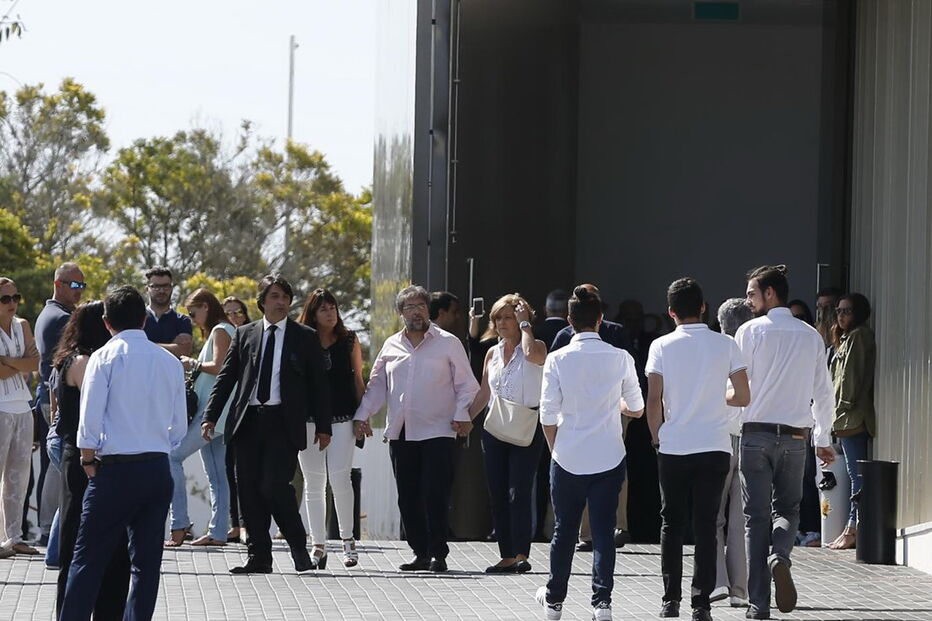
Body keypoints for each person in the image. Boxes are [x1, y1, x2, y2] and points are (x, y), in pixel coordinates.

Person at [59, 286, 187, 621]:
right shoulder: (169, 361)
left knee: (87, 560)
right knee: (146, 566)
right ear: (144, 319)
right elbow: (179, 427)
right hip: (157, 467)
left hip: (114, 470)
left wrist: (88, 461)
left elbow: (89, 422)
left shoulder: (103, 357)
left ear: (106, 323)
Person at [201, 275, 331, 574]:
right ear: (262, 302)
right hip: (247, 422)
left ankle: (299, 547)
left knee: (273, 485)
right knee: (247, 490)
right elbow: (226, 378)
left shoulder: (305, 336)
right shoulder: (245, 334)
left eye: (285, 296)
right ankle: (258, 557)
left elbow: (319, 386)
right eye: (275, 296)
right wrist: (210, 415)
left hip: (283, 423)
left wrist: (324, 426)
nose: (281, 301)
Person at [535, 285, 644, 621]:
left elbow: (547, 416)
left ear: (569, 321)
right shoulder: (621, 357)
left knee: (563, 531)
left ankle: (554, 601)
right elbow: (637, 409)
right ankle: (602, 604)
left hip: (567, 455)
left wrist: (556, 449)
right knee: (603, 532)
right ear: (600, 320)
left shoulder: (556, 359)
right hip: (609, 455)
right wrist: (619, 404)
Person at [353, 285, 479, 572]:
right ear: (401, 313)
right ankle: (420, 552)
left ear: (428, 310)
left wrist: (462, 414)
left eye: (421, 305)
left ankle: (438, 553)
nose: (417, 311)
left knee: (434, 493)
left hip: (439, 430)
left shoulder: (448, 343)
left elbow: (467, 385)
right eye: (410, 307)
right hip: (402, 432)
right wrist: (363, 416)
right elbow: (377, 386)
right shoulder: (390, 345)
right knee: (407, 495)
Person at [646, 280, 750, 621]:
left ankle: (670, 600)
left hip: (674, 445)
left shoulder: (661, 345)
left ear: (671, 312)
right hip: (715, 444)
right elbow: (743, 396)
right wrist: (715, 397)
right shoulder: (726, 344)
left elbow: (654, 400)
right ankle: (701, 603)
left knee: (671, 523)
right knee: (705, 525)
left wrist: (656, 437)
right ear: (704, 306)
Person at [736, 265, 835, 620]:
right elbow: (824, 392)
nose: (748, 300)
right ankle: (780, 554)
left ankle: (757, 605)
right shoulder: (810, 335)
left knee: (755, 518)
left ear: (770, 294)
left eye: (751, 293)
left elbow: (736, 387)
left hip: (755, 435)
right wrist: (823, 437)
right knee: (788, 510)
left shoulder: (748, 332)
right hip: (795, 436)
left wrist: (732, 427)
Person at [51, 300, 131, 619]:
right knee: (84, 544)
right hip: (88, 460)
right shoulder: (84, 362)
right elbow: (99, 408)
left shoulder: (69, 359)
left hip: (80, 456)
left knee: (88, 542)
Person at [468, 294, 547, 573]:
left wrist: (526, 325)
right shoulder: (491, 353)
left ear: (521, 319)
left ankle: (522, 553)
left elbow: (531, 356)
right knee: (498, 492)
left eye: (508, 317)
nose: (501, 322)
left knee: (519, 491)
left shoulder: (535, 346)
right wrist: (465, 419)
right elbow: (484, 392)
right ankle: (507, 554)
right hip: (495, 428)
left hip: (526, 426)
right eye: (498, 317)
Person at [552, 284, 633, 551]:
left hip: (594, 411)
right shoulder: (612, 334)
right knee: (608, 465)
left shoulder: (568, 336)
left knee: (583, 469)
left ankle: (607, 528)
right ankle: (597, 531)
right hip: (610, 409)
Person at [297, 288, 366, 568]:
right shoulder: (303, 340)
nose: (330, 313)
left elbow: (358, 380)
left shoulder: (349, 340)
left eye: (333, 307)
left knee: (340, 478)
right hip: (308, 420)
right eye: (323, 309)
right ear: (313, 313)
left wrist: (363, 416)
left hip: (343, 418)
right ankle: (318, 545)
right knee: (313, 483)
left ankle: (348, 542)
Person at [165, 289, 234, 547]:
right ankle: (218, 532)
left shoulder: (220, 330)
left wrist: (191, 364)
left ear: (206, 307)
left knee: (173, 456)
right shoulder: (221, 330)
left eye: (194, 313)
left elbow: (220, 366)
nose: (193, 319)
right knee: (217, 475)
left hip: (213, 412)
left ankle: (179, 523)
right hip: (218, 413)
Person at [34, 262, 86, 549]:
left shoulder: (53, 314)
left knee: (54, 467)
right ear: (58, 284)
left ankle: (49, 534)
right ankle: (49, 534)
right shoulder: (60, 318)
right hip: (56, 399)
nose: (79, 291)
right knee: (60, 469)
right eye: (74, 285)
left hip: (49, 396)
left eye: (82, 286)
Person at [712, 298, 753, 608]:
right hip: (752, 437)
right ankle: (740, 590)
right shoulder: (758, 346)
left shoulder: (717, 348)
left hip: (719, 438)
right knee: (741, 518)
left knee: (713, 516)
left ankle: (717, 582)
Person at [827, 293, 876, 551]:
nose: (841, 316)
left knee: (857, 476)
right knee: (851, 475)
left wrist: (840, 407)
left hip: (852, 416)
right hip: (845, 417)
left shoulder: (858, 336)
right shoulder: (845, 338)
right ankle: (850, 527)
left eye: (847, 311)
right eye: (838, 311)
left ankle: (853, 528)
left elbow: (850, 380)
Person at [0, 277, 40, 556]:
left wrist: (8, 361)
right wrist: (20, 363)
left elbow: (35, 363)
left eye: (16, 297)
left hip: (23, 406)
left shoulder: (23, 325)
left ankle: (14, 536)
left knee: (20, 476)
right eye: (5, 299)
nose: (12, 303)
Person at [220, 296, 250, 543]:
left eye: (238, 312)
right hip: (228, 416)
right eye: (227, 313)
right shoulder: (224, 339)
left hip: (251, 413)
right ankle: (235, 524)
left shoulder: (253, 338)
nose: (233, 317)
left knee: (248, 473)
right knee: (229, 470)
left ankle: (247, 524)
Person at [143, 266, 193, 358]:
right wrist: (172, 347)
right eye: (156, 287)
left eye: (165, 286)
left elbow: (183, 351)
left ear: (171, 288)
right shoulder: (137, 318)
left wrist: (144, 345)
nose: (161, 291)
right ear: (147, 289)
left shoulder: (182, 320)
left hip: (171, 372)